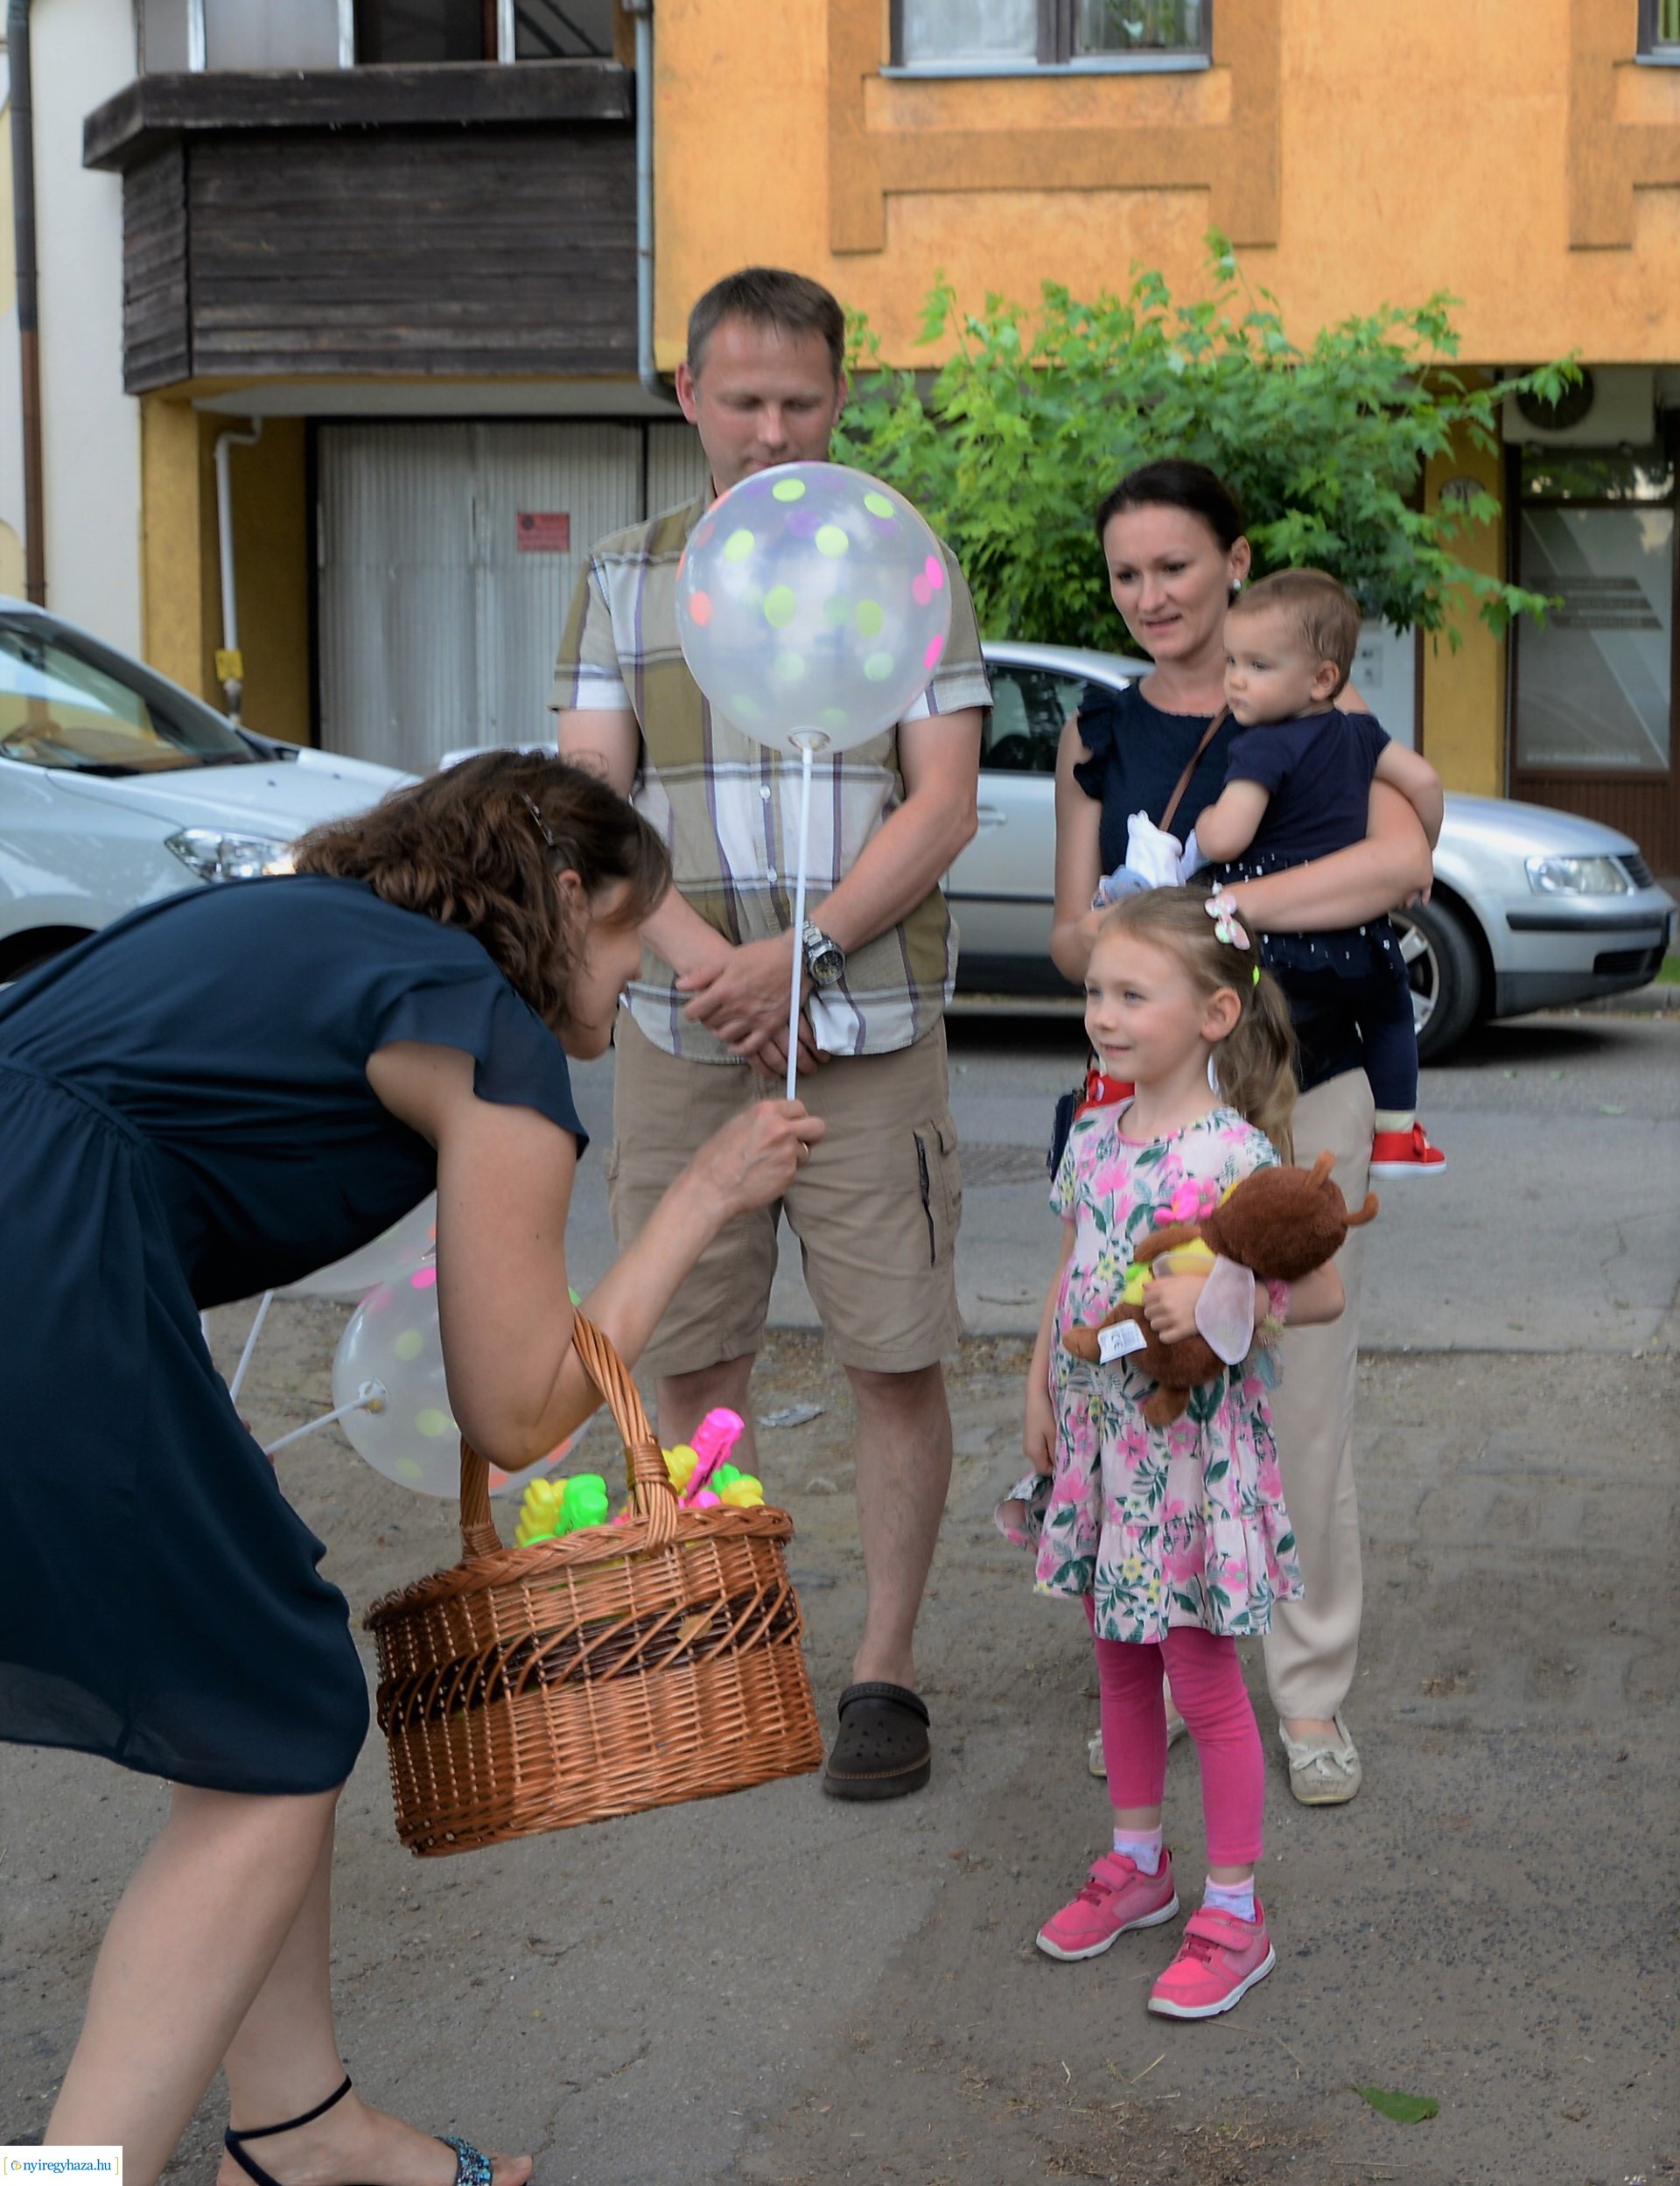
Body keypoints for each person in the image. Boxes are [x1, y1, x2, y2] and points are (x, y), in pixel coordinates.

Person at [0, 750, 822, 2186]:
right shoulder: (484, 1026)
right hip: (43, 1270)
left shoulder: (303, 925)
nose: (640, 970)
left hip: (49, 1240)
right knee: (278, 1719)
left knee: (265, 1688)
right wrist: (704, 1194)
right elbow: (516, 1416)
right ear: (562, 892)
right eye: (631, 928)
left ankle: (299, 2124)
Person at [552, 265, 990, 1803]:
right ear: (688, 396)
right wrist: (712, 971)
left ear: (841, 397)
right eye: (742, 399)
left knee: (894, 1355)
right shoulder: (625, 577)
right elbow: (589, 808)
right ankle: (727, 1638)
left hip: (870, 1026)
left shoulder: (909, 563)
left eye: (802, 400)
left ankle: (885, 1671)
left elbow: (944, 800)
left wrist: (797, 956)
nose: (773, 429)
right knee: (688, 1354)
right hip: (681, 1031)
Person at [1052, 461, 1436, 1807]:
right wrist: (1119, 943)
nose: (1150, 595)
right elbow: (1071, 931)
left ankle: (1309, 1686)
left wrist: (1212, 909)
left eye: (1175, 565)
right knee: (1150, 1373)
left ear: (1236, 560)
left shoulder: (1321, 709)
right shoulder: (1103, 729)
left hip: (1310, 1081)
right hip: (1155, 1109)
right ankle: (1168, 1667)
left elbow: (1401, 863)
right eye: (1126, 574)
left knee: (1301, 1391)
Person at [1002, 889, 1347, 2017]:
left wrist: (1224, 1296)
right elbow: (1070, 1271)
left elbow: (1322, 1291)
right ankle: (1138, 1864)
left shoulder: (1238, 1153)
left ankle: (1235, 1911)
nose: (1102, 1014)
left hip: (1194, 1462)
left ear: (1213, 1014)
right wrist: (1039, 1382)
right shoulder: (1091, 1137)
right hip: (1102, 1450)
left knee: (1200, 1674)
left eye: (1131, 995)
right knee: (1117, 1658)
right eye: (1095, 992)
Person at [1195, 567, 1447, 1177]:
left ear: (1323, 678)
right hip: (1358, 935)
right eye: (1232, 661)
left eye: (1258, 665)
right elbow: (1424, 782)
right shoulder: (1362, 734)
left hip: (1282, 942)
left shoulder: (1261, 745)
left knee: (1258, 1021)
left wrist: (1204, 825)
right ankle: (1398, 1133)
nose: (1235, 680)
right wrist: (1426, 851)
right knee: (1390, 1013)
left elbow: (1229, 834)